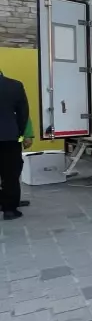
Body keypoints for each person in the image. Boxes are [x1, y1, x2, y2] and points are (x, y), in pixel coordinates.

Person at [0, 70, 31, 220]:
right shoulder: (15, 86)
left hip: (9, 136)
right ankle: (10, 209)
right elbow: (23, 113)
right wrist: (22, 134)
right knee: (11, 174)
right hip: (9, 137)